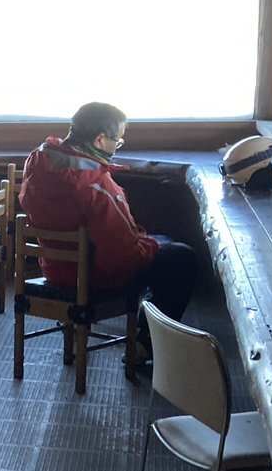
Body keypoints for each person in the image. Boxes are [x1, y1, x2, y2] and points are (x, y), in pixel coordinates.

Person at [19, 101, 199, 359]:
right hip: (91, 275)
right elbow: (121, 256)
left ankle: (140, 321)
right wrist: (148, 245)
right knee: (182, 258)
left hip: (54, 266)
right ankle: (144, 345)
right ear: (100, 139)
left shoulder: (38, 161)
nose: (117, 147)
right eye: (118, 141)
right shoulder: (95, 184)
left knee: (163, 245)